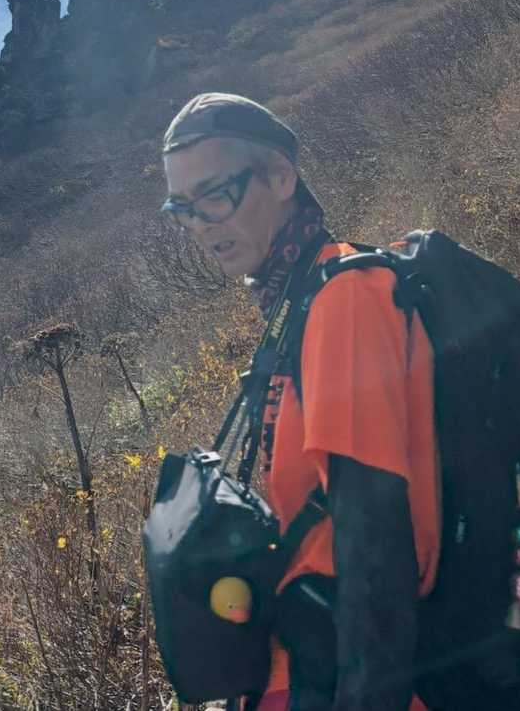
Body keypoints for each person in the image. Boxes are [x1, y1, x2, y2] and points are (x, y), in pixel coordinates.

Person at [161, 92, 440, 711]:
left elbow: (375, 538)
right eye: (183, 208)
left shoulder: (344, 296)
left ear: (281, 177)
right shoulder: (299, 301)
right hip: (305, 660)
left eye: (215, 196)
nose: (201, 224)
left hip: (344, 673)